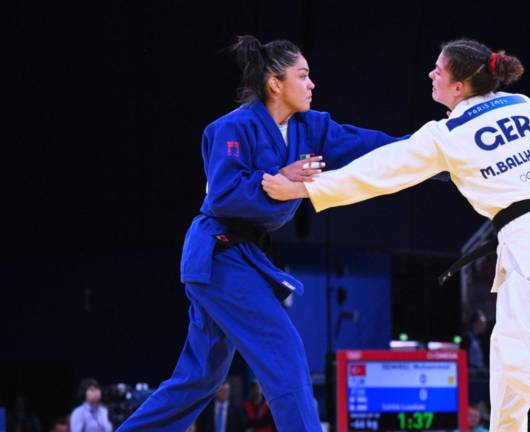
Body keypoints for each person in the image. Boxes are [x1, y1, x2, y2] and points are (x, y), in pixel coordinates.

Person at [263, 38, 530, 432]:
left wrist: (304, 189)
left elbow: (379, 173)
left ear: (459, 87)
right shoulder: (523, 106)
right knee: (510, 372)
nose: (431, 74)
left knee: (517, 358)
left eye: (439, 70)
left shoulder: (447, 135)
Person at [116, 36, 401, 432]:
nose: (312, 84)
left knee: (199, 378)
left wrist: (437, 154)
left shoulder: (311, 128)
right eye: (302, 75)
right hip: (218, 253)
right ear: (274, 83)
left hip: (241, 257)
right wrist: (277, 179)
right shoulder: (232, 128)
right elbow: (225, 195)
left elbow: (371, 147)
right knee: (283, 352)